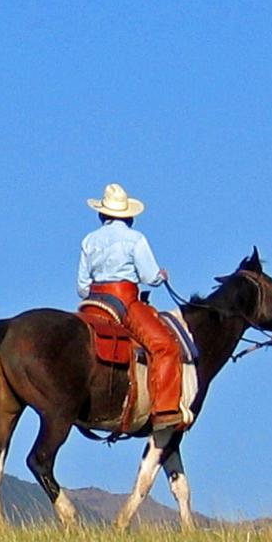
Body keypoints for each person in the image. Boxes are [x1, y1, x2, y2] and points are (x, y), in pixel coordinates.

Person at [76, 183, 182, 428]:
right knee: (165, 346)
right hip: (123, 300)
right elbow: (148, 276)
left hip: (92, 302)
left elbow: (82, 286)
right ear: (129, 215)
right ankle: (165, 410)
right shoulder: (135, 239)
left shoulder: (89, 240)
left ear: (101, 214)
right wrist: (161, 276)